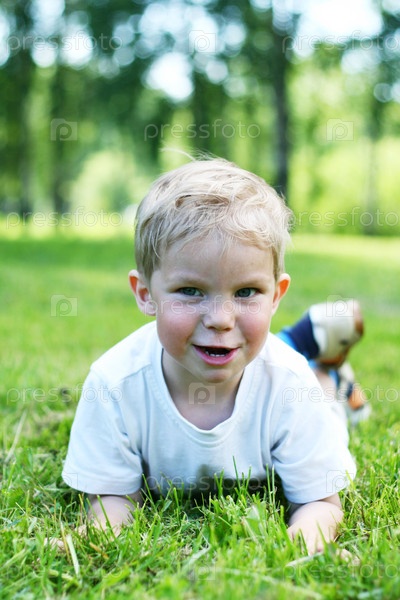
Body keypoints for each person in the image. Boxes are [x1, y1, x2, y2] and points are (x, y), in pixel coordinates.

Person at [62, 157, 356, 556]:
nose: (220, 318)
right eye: (190, 291)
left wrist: (299, 546)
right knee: (270, 351)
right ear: (146, 294)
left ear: (276, 296)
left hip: (304, 385)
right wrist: (99, 534)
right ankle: (312, 345)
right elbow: (112, 498)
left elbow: (320, 502)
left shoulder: (291, 385)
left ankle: (331, 374)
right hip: (265, 357)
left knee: (320, 391)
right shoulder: (114, 384)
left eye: (246, 292)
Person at [278, 299, 371, 426]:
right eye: (345, 350)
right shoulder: (289, 363)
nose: (344, 356)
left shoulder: (285, 342)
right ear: (335, 344)